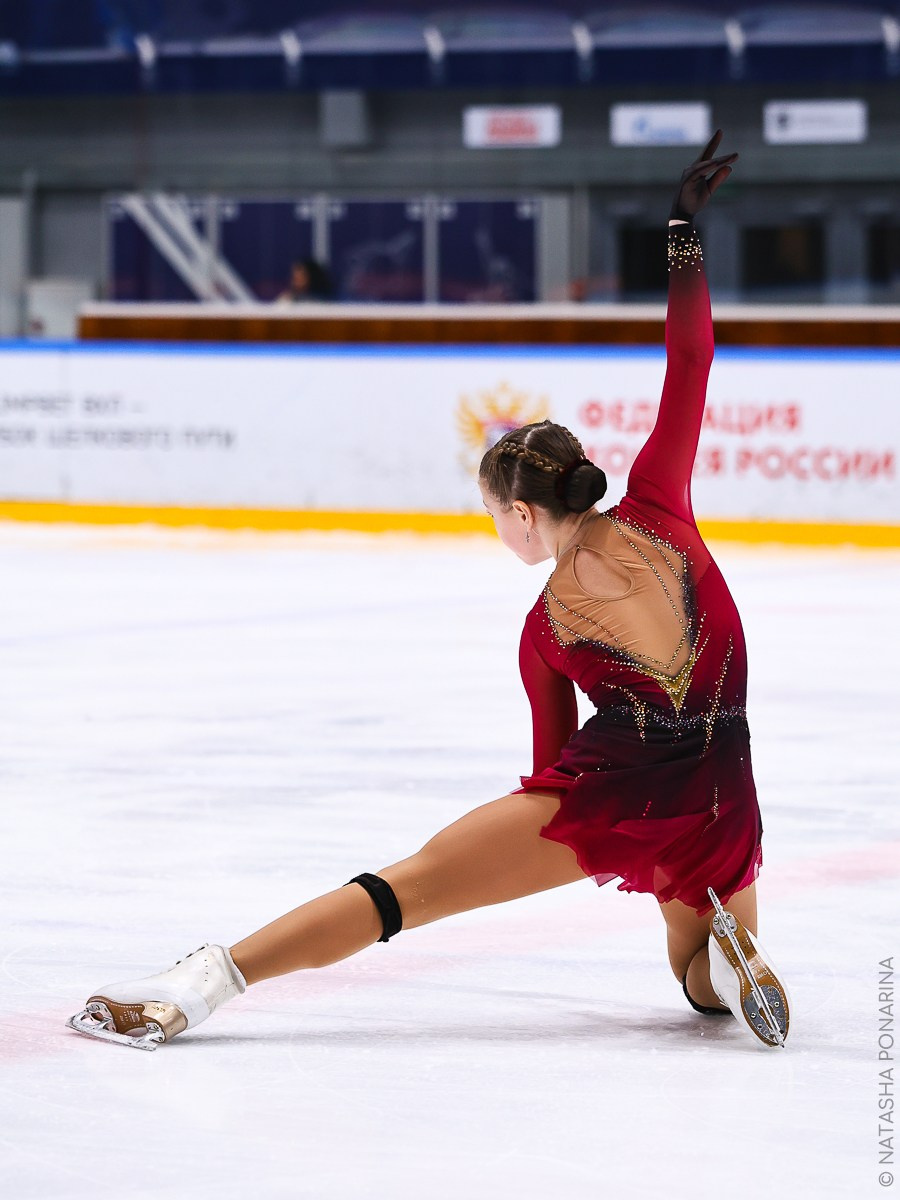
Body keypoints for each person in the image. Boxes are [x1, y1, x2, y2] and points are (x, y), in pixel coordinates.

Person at [67, 131, 790, 1052]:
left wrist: (522, 839)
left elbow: (550, 771)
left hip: (620, 792)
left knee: (401, 891)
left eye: (491, 512)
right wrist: (683, 231)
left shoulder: (544, 631)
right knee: (694, 985)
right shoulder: (661, 503)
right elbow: (691, 360)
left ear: (524, 514)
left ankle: (201, 983)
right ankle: (733, 965)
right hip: (728, 787)